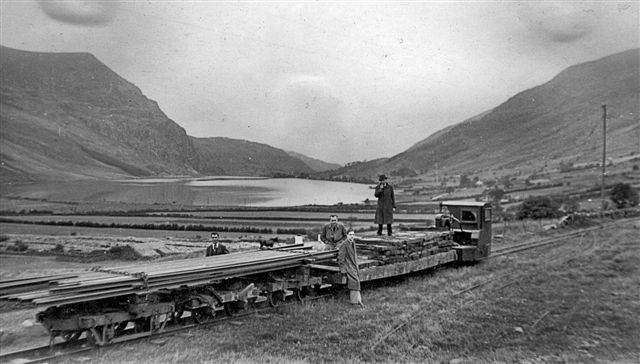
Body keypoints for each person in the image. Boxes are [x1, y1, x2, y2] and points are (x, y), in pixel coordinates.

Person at [338, 230, 363, 306]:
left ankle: (358, 300)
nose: (352, 236)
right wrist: (343, 269)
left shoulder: (353, 243)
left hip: (354, 265)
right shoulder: (344, 244)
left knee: (356, 281)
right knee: (354, 281)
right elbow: (341, 258)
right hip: (348, 265)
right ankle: (354, 302)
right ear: (347, 235)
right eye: (350, 234)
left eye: (353, 234)